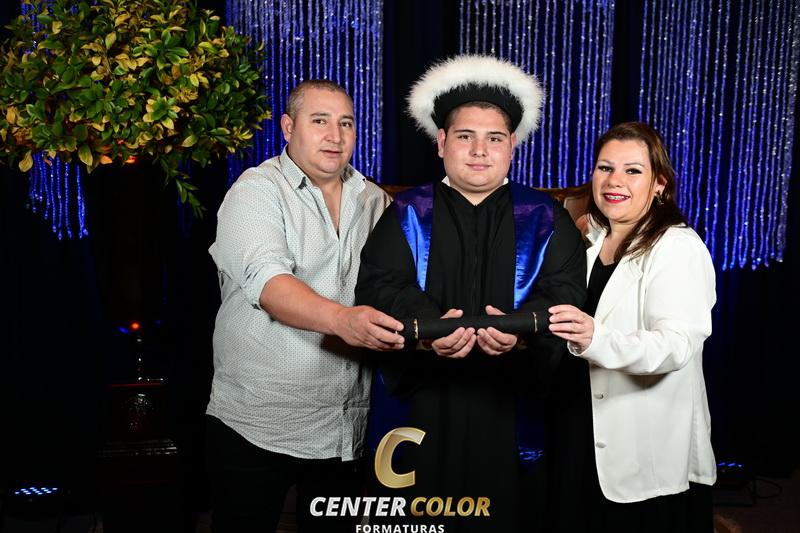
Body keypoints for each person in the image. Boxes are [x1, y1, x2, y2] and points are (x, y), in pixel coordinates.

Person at [355, 55, 587, 532]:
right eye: (465, 136)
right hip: (425, 401)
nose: (480, 151)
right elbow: (380, 285)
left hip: (512, 401)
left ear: (512, 145)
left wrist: (521, 334)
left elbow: (563, 292)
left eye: (494, 138)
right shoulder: (407, 212)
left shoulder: (546, 217)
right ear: (442, 142)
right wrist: (428, 330)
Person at [205, 79, 406, 533]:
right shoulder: (256, 191)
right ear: (288, 127)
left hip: (345, 427)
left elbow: (400, 287)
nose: (335, 135)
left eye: (346, 123)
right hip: (258, 421)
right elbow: (269, 283)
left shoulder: (375, 201)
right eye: (320, 121)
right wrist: (342, 320)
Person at [547, 122, 717, 532]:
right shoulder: (587, 238)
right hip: (578, 424)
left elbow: (676, 346)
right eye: (605, 168)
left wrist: (596, 338)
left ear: (659, 184)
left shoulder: (677, 247)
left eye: (633, 170)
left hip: (644, 441)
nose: (614, 181)